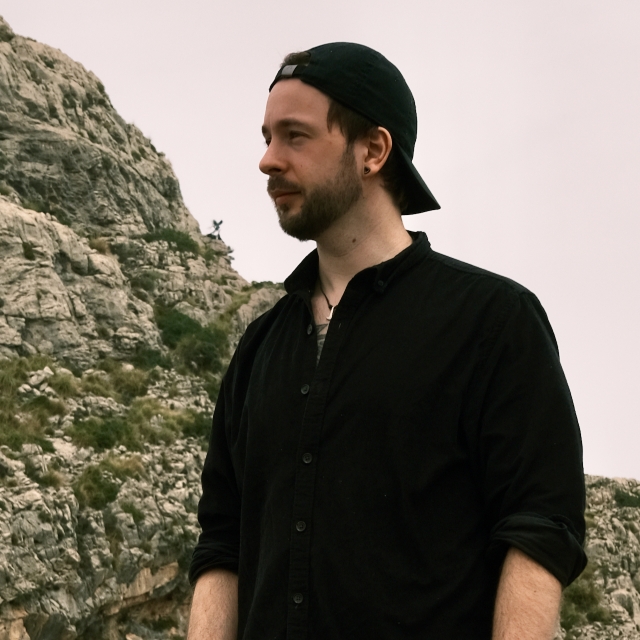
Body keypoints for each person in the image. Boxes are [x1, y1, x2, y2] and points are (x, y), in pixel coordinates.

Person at [187, 43, 587, 640]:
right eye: (267, 137)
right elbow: (222, 542)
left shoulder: (493, 321)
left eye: (295, 136)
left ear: (373, 150)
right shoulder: (259, 347)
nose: (268, 160)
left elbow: (539, 527)